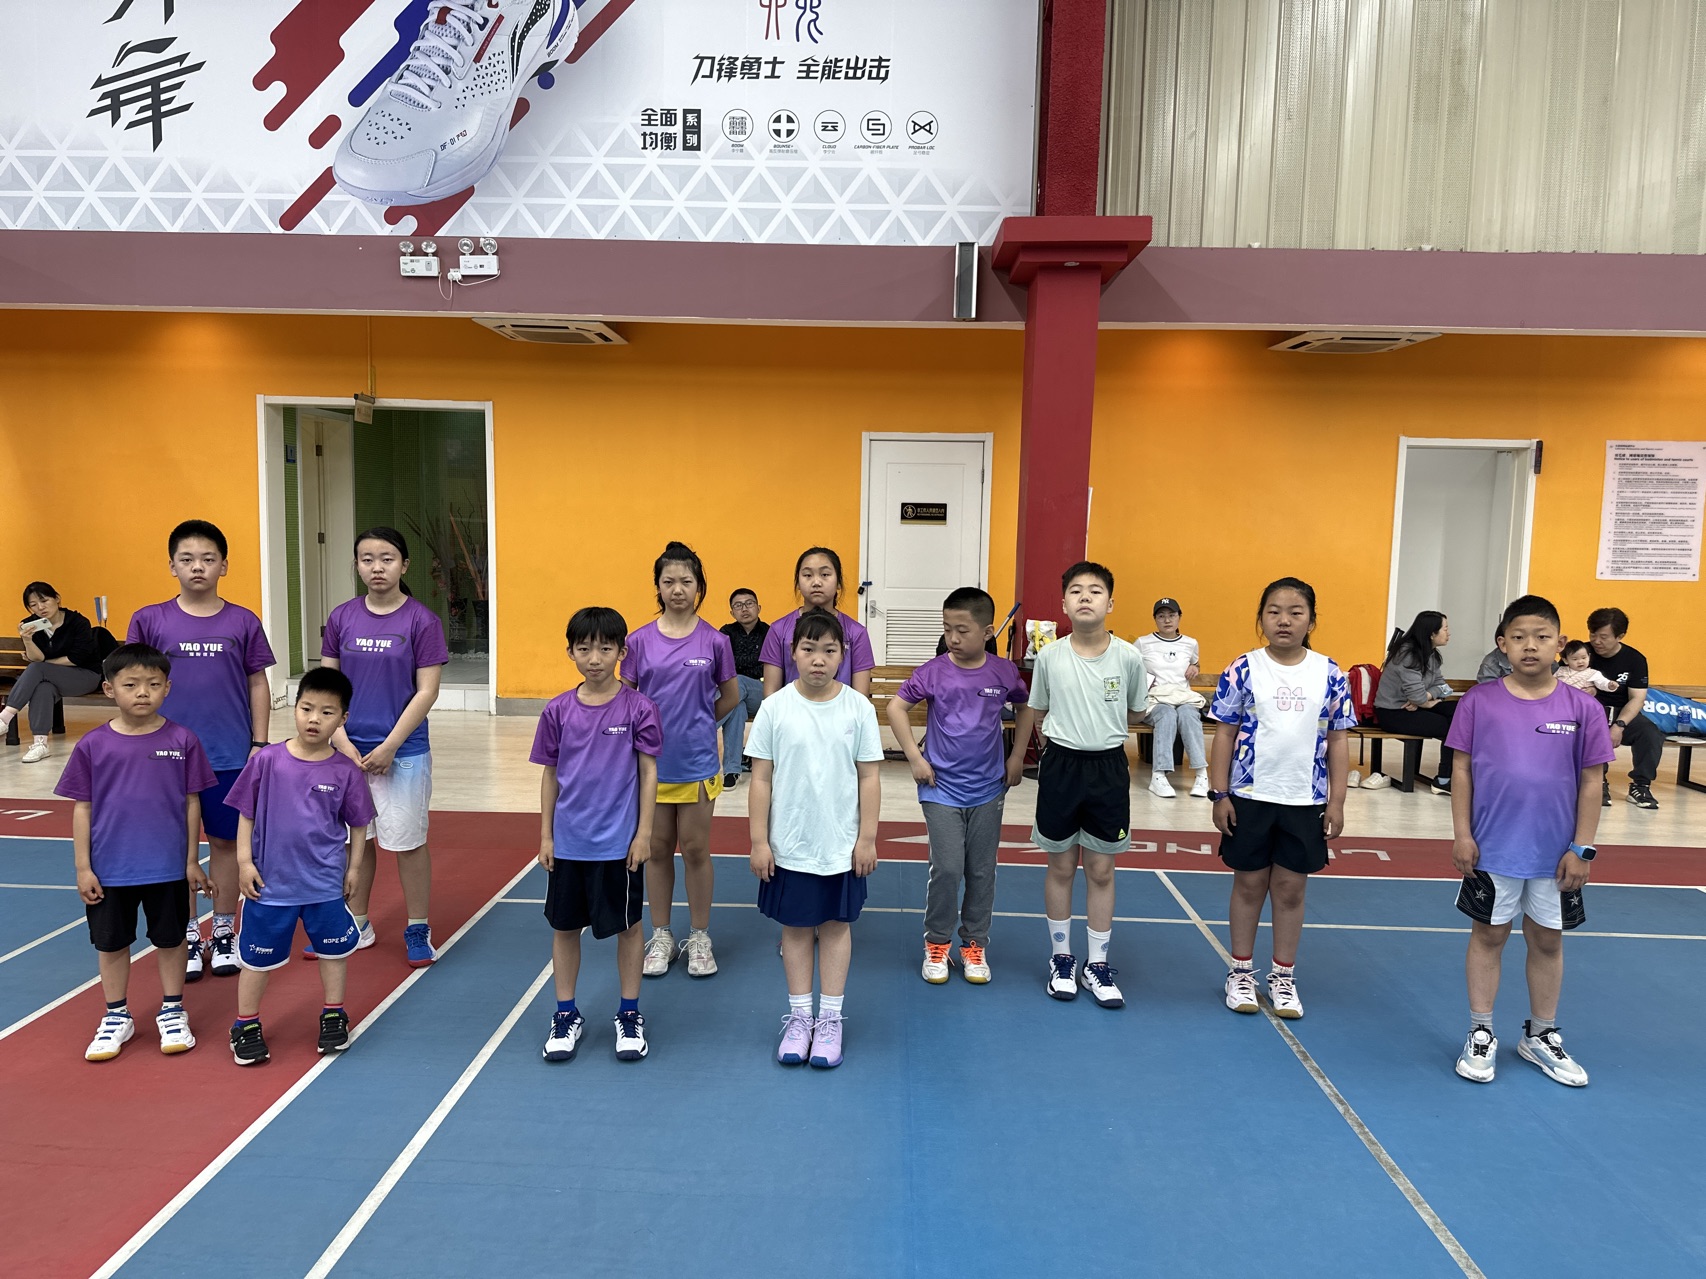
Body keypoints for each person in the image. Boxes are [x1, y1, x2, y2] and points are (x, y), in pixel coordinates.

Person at [1447, 595, 1612, 1086]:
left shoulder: (1584, 708)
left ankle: (1541, 1035)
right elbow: (1461, 770)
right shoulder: (1478, 702)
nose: (1530, 646)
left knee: (1547, 940)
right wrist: (1462, 834)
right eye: (1518, 637)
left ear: (1560, 644)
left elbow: (1592, 781)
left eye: (1542, 637)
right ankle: (1480, 1032)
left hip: (1556, 855)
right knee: (1488, 936)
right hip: (1491, 849)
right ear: (1502, 644)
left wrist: (1582, 848)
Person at [127, 520, 275, 983]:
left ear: (223, 566)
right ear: (172, 566)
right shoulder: (149, 620)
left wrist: (259, 743)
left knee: (227, 842)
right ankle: (189, 932)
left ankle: (225, 930)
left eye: (208, 559)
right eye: (187, 559)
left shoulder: (243, 621)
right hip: (164, 756)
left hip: (229, 753)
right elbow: (134, 683)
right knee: (177, 846)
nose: (198, 567)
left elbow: (257, 682)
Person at [55, 643, 215, 1061]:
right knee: (111, 945)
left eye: (153, 684)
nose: (142, 692)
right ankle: (116, 1015)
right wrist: (83, 868)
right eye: (131, 685)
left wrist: (191, 861)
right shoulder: (93, 745)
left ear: (168, 688)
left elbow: (191, 803)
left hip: (168, 869)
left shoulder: (183, 740)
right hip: (111, 870)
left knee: (172, 940)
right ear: (109, 689)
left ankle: (173, 1009)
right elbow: (82, 808)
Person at [1207, 578, 1355, 1020]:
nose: (1284, 620)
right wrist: (1219, 793)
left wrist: (1336, 801)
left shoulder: (1330, 673)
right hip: (1250, 796)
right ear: (1261, 618)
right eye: (1273, 611)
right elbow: (1224, 734)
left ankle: (1283, 977)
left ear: (1311, 620)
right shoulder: (1243, 668)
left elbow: (1339, 740)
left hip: (1305, 800)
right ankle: (1240, 972)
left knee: (1290, 889)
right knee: (1249, 884)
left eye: (1295, 612)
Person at [1004, 562, 1148, 1010]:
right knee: (1062, 866)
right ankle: (1062, 958)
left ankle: (1097, 963)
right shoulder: (1049, 657)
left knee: (1101, 870)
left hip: (1108, 769)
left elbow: (1136, 712)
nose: (1086, 597)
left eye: (1096, 590)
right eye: (1076, 591)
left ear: (1111, 603)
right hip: (1062, 768)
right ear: (1064, 603)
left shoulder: (1128, 657)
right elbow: (1040, 710)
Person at [748, 609, 883, 1068]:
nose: (818, 659)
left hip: (840, 846)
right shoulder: (775, 708)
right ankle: (800, 1017)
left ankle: (830, 1020)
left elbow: (869, 778)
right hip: (790, 845)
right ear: (793, 653)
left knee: (837, 927)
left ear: (843, 655)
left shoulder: (858, 709)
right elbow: (760, 779)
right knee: (796, 928)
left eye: (829, 650)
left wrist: (867, 838)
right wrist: (759, 841)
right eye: (809, 649)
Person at [314, 527, 449, 967]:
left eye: (387, 559)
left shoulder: (422, 621)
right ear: (356, 565)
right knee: (356, 841)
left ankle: (417, 927)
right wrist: (340, 740)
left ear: (404, 565)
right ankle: (357, 922)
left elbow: (427, 691)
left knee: (407, 843)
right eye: (367, 559)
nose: (377, 567)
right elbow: (327, 687)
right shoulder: (341, 618)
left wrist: (391, 745)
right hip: (346, 751)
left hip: (402, 753)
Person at [227, 667, 375, 1065]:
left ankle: (334, 1014)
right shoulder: (267, 761)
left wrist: (353, 869)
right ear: (294, 708)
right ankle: (245, 1024)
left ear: (343, 719)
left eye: (327, 712)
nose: (314, 719)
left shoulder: (345, 771)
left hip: (324, 884)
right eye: (307, 708)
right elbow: (245, 813)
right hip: (270, 884)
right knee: (256, 960)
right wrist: (244, 862)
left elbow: (359, 824)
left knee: (333, 954)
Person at [533, 607, 661, 1065]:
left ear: (622, 652)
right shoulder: (557, 711)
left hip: (618, 845)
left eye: (605, 648)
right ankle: (565, 1013)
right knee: (565, 928)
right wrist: (546, 836)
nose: (594, 658)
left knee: (628, 928)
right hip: (569, 843)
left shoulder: (639, 708)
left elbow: (649, 773)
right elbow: (550, 775)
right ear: (570, 652)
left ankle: (629, 1013)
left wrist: (643, 833)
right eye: (584, 648)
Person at [886, 587, 1028, 985]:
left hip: (989, 788)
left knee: (981, 870)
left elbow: (1025, 706)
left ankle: (974, 944)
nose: (952, 637)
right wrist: (915, 757)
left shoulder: (1003, 671)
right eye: (947, 628)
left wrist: (1017, 756)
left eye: (962, 630)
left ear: (987, 631)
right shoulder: (933, 671)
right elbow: (896, 707)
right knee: (948, 868)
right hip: (941, 788)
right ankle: (937, 942)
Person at [625, 543, 738, 980]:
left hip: (697, 763)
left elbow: (729, 696)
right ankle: (662, 936)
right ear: (657, 586)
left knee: (694, 849)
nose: (677, 589)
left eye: (686, 581)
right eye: (668, 581)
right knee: (656, 850)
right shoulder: (638, 641)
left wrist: (699, 721)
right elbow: (627, 699)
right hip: (651, 765)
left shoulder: (715, 641)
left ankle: (700, 936)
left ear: (699, 587)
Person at [2, 581, 104, 762]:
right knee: (44, 688)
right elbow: (37, 658)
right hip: (52, 677)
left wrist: (45, 666)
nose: (40, 608)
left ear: (57, 599)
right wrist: (27, 640)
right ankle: (40, 744)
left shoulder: (77, 622)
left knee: (37, 669)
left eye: (44, 601)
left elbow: (76, 659)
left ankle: (4, 718)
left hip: (86, 675)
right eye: (33, 605)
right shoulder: (31, 625)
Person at [760, 547, 875, 696]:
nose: (816, 582)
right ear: (798, 583)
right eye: (807, 575)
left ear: (838, 582)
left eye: (825, 574)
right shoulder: (778, 630)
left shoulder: (857, 633)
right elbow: (771, 695)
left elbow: (860, 698)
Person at [1585, 607, 1663, 810]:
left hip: (1621, 711)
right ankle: (1598, 782)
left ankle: (1641, 786)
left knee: (1650, 733)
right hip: (1590, 712)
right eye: (1593, 634)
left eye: (1603, 637)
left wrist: (1619, 725)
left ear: (1620, 636)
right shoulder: (1580, 653)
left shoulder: (1635, 659)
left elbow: (1637, 699)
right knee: (1591, 729)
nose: (1596, 641)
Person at [1373, 610, 1457, 795]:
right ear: (1432, 633)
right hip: (1393, 712)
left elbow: (1444, 687)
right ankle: (1444, 779)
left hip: (1414, 708)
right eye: (1445, 629)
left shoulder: (1432, 655)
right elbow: (1418, 696)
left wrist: (1426, 698)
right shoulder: (1408, 655)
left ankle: (1447, 777)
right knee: (1452, 726)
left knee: (1459, 711)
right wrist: (1422, 700)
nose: (1449, 633)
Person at [1136, 597, 1208, 798]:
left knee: (1188, 715)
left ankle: (1201, 775)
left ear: (1179, 617)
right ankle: (1158, 776)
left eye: (1171, 615)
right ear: (1155, 619)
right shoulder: (1142, 643)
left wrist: (1195, 667)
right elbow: (1129, 665)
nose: (1167, 620)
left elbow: (1195, 663)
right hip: (1156, 700)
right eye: (1161, 616)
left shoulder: (1190, 643)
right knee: (1166, 714)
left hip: (1183, 698)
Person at [717, 588, 768, 785]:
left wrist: (738, 666)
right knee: (737, 707)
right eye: (738, 606)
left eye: (749, 604)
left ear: (758, 607)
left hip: (762, 693)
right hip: (736, 696)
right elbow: (720, 665)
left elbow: (768, 667)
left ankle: (702, 730)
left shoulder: (769, 633)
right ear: (732, 612)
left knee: (737, 681)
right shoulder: (726, 633)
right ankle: (732, 770)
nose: (744, 609)